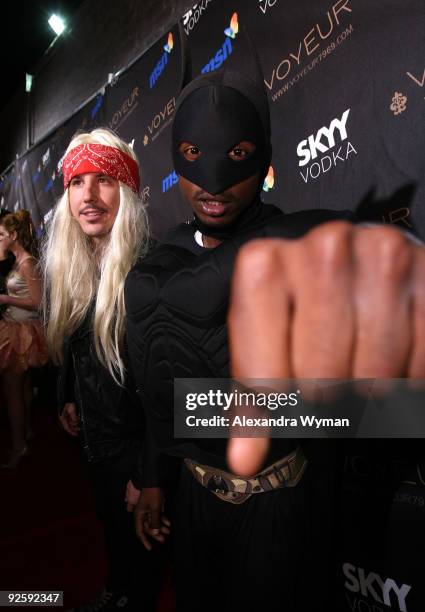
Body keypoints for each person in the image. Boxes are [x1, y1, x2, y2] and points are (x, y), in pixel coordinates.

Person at [124, 66, 356, 612]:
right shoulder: (159, 267)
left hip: (280, 502)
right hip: (196, 498)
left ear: (264, 160)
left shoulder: (308, 255)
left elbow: (360, 404)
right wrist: (153, 478)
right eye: (192, 156)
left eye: (235, 158)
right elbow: (161, 391)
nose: (213, 184)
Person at [43, 128, 165, 612]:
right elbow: (77, 349)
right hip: (97, 445)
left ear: (129, 193)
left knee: (145, 562)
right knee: (113, 533)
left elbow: (167, 389)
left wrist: (148, 472)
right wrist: (67, 397)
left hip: (139, 454)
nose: (88, 196)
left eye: (104, 180)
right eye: (76, 182)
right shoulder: (73, 266)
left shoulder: (152, 270)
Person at [226, 224, 425, 477]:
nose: (212, 189)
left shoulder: (308, 230)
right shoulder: (168, 249)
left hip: (309, 473)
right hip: (192, 486)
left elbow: (372, 258)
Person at [0, 209, 48, 468]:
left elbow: (38, 302)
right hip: (16, 329)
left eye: (1, 235)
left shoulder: (27, 262)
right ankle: (26, 432)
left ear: (14, 235)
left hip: (22, 332)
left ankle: (19, 447)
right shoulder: (15, 260)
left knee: (12, 391)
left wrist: (5, 299)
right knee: (23, 386)